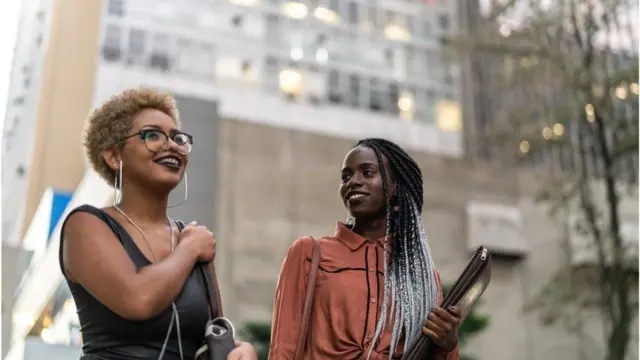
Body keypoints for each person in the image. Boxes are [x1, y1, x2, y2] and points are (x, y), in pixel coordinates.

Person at [59, 87, 257, 360]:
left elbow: (212, 336)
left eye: (177, 137)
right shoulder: (86, 224)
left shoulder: (193, 239)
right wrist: (188, 249)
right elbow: (138, 300)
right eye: (152, 135)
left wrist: (240, 349)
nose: (172, 145)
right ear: (114, 157)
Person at [269, 138, 460, 360]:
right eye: (346, 177)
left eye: (367, 173)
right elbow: (282, 349)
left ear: (396, 187)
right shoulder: (308, 254)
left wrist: (447, 345)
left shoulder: (422, 276)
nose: (353, 182)